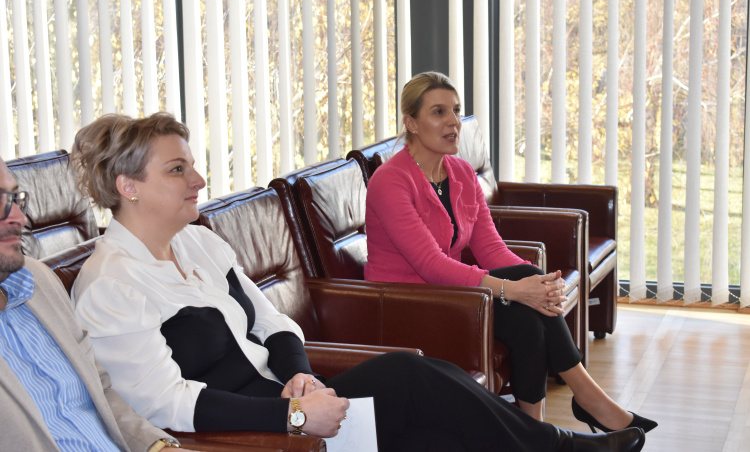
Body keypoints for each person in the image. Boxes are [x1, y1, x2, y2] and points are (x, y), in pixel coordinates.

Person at [68, 112, 645, 452]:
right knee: (410, 376)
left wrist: (299, 375)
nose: (198, 179)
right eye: (178, 170)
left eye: (192, 164)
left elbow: (275, 323)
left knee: (441, 429)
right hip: (257, 433)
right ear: (128, 187)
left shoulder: (199, 243)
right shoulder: (110, 286)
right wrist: (294, 416)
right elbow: (164, 403)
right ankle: (563, 448)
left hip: (297, 401)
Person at [364, 71, 658, 433]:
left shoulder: (461, 173)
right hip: (406, 302)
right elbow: (430, 265)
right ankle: (588, 401)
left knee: (528, 317)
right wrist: (515, 288)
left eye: (456, 110)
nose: (454, 121)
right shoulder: (390, 181)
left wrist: (539, 285)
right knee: (524, 292)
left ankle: (536, 431)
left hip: (452, 295)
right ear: (411, 123)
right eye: (439, 112)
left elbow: (491, 249)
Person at [0, 155, 183, 451]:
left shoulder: (38, 281)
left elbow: (101, 393)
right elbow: (170, 400)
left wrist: (157, 447)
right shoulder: (109, 280)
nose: (19, 218)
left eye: (14, 198)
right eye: (177, 169)